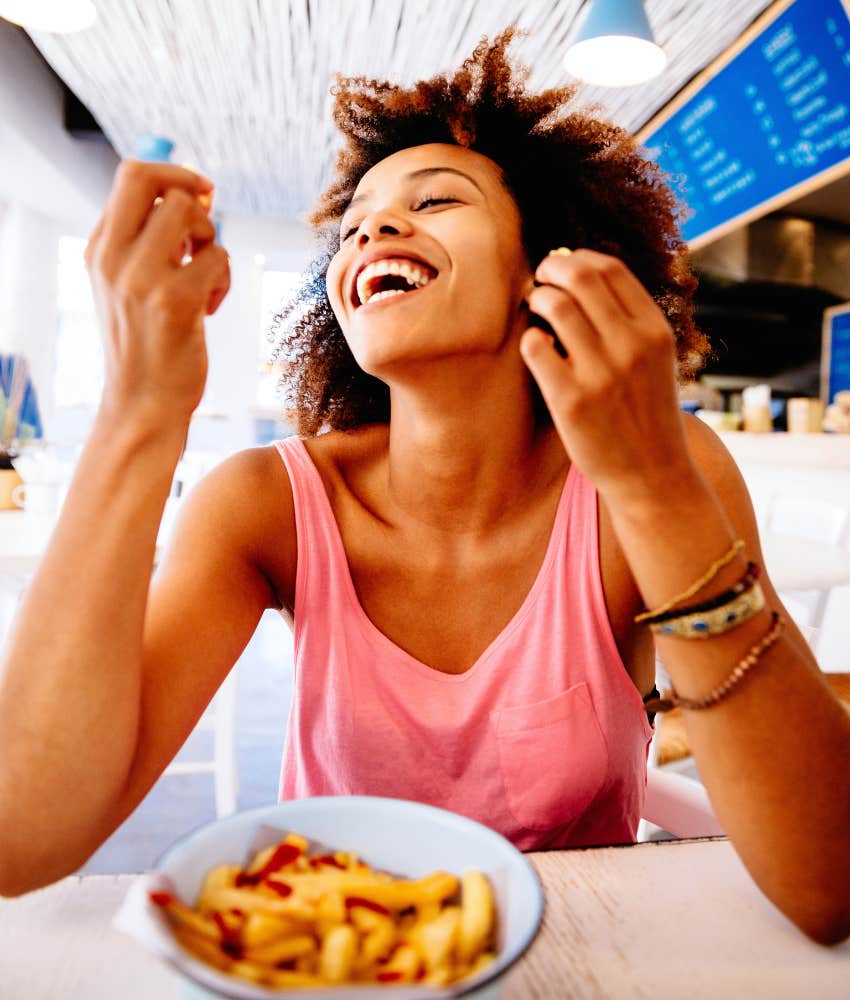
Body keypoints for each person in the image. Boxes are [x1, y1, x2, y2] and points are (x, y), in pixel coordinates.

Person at [0, 32, 848, 944]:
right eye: (356, 221)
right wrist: (138, 409)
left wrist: (652, 487)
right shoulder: (267, 505)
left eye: (437, 199)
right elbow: (21, 837)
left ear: (546, 268)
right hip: (341, 960)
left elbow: (827, 883)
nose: (373, 229)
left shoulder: (646, 470)